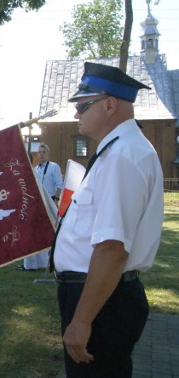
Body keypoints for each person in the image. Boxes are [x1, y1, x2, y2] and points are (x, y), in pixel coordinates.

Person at [52, 62, 163, 377]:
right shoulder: (117, 151)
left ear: (110, 105)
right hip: (102, 296)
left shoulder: (121, 157)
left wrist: (82, 320)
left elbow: (112, 248)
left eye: (83, 106)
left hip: (102, 302)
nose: (77, 115)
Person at [16, 143, 63, 271]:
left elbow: (59, 184)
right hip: (37, 204)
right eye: (39, 152)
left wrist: (56, 200)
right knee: (35, 233)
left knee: (51, 231)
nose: (41, 155)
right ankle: (33, 263)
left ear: (48, 154)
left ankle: (54, 261)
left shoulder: (54, 167)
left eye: (43, 152)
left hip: (50, 201)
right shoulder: (36, 169)